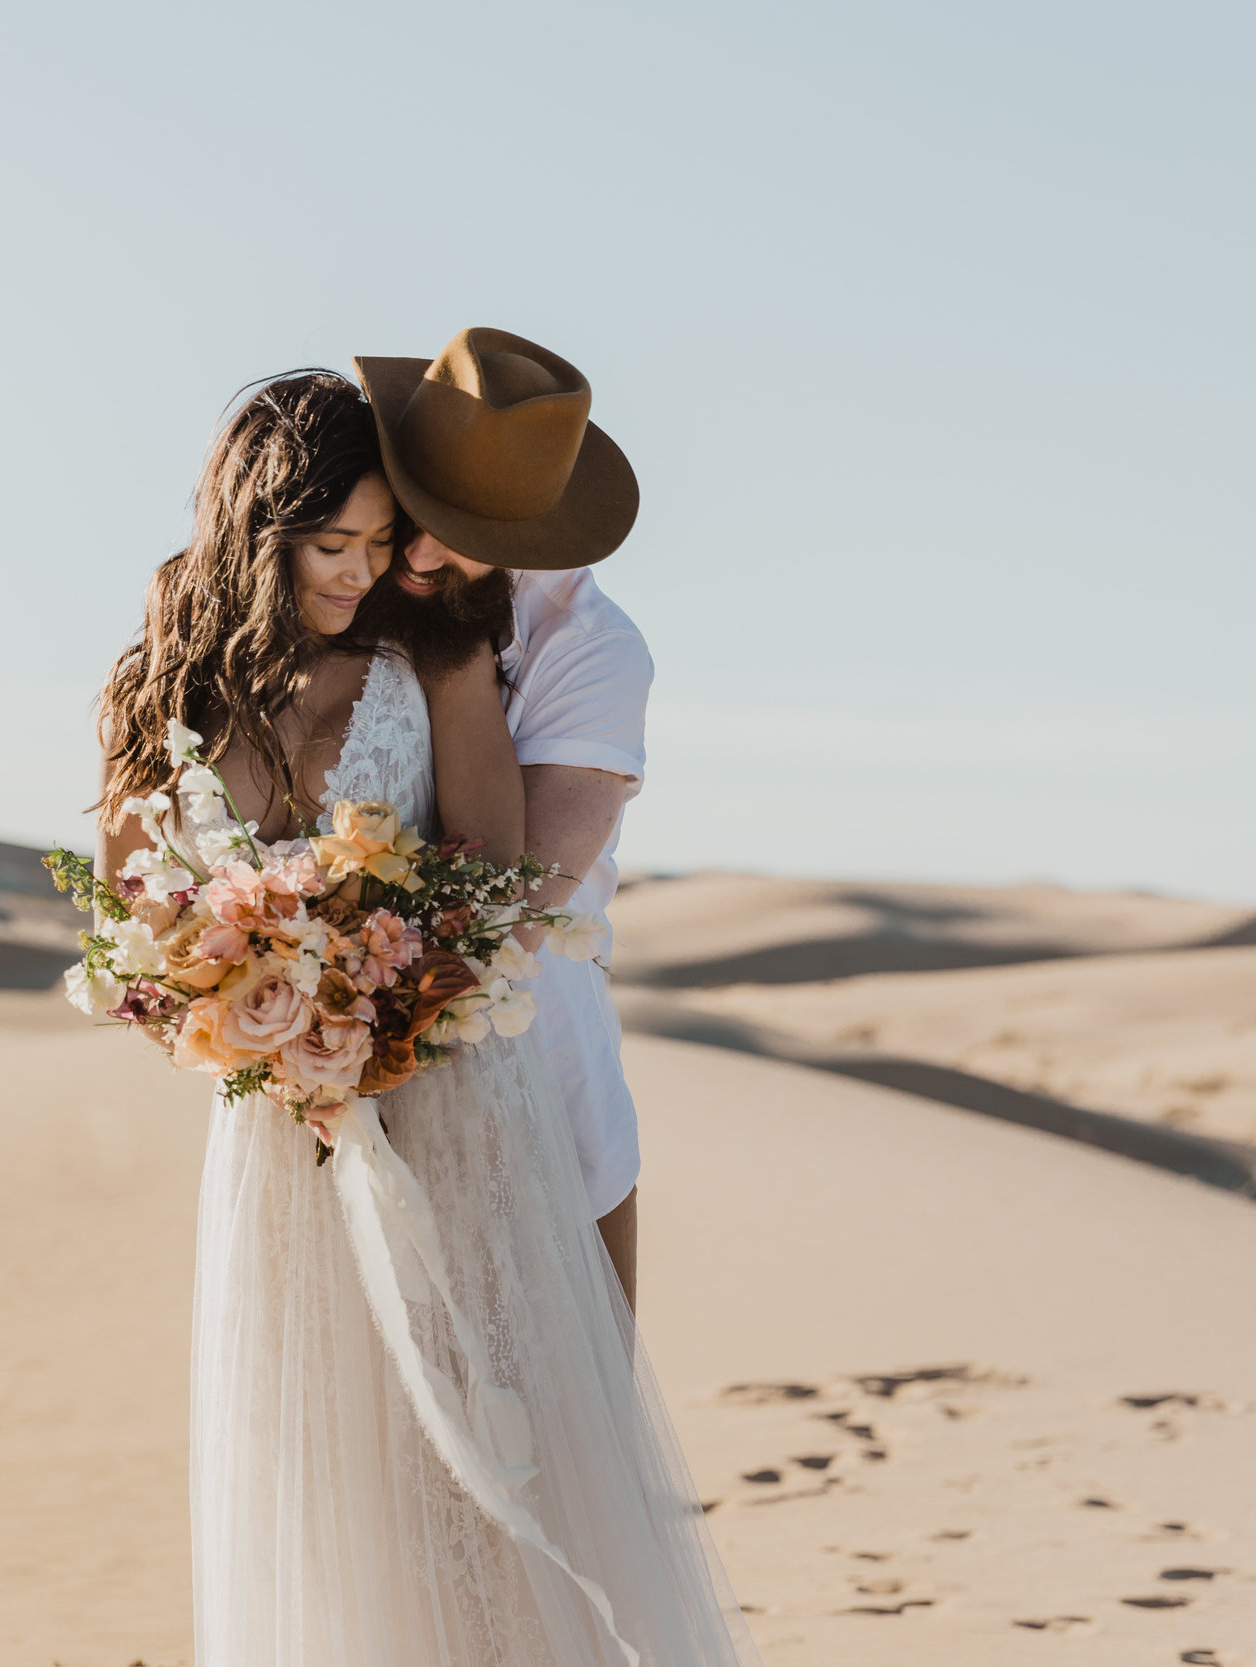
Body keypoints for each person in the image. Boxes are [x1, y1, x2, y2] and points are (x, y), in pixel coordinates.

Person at [94, 369, 758, 1664]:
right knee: (325, 1462)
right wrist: (218, 986)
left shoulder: (534, 643)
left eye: (394, 535)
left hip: (507, 1079)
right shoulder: (187, 650)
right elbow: (131, 890)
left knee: (524, 1461)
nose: (393, 560)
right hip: (290, 1126)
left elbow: (512, 888)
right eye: (361, 535)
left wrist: (347, 976)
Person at [351, 326, 654, 1311]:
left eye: (466, 531)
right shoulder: (343, 567)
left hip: (529, 1036)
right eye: (418, 509)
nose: (424, 551)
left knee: (555, 1409)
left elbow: (525, 901)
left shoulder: (593, 647)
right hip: (334, 1058)